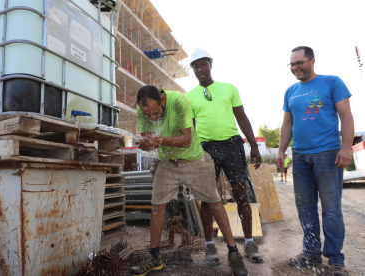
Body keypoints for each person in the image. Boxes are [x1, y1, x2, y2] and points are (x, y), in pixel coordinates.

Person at [129, 85, 249, 276]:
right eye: (148, 114)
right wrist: (146, 144)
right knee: (156, 207)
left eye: (155, 113)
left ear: (162, 100)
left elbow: (186, 139)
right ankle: (154, 258)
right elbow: (148, 141)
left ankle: (234, 254)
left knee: (215, 203)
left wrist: (159, 140)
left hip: (194, 161)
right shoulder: (142, 108)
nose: (152, 117)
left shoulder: (178, 101)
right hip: (168, 162)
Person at [277, 46, 354, 276]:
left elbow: (346, 116)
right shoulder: (290, 91)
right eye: (292, 64)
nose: (295, 67)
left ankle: (335, 258)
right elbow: (287, 124)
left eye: (299, 62)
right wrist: (281, 152)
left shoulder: (332, 82)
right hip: (300, 156)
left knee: (331, 209)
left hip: (328, 154)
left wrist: (346, 147)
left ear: (312, 61)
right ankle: (310, 251)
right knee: (305, 208)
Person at [186, 48, 264, 265]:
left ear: (211, 65)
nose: (200, 69)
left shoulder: (229, 88)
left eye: (204, 64)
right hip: (206, 149)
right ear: (193, 70)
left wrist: (253, 145)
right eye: (196, 66)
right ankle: (209, 246)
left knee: (241, 194)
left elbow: (241, 116)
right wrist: (191, 153)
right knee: (208, 198)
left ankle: (249, 242)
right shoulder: (189, 96)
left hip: (232, 145)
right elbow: (190, 127)